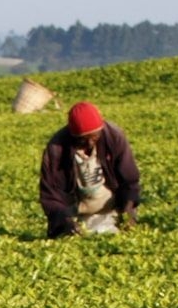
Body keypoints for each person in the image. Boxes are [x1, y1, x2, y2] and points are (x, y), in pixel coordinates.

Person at [39, 101, 140, 238]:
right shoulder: (57, 148)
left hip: (112, 211)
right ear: (73, 135)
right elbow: (52, 195)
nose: (90, 143)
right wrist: (65, 222)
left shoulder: (113, 136)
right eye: (82, 139)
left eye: (94, 137)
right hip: (77, 216)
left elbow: (129, 180)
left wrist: (128, 210)